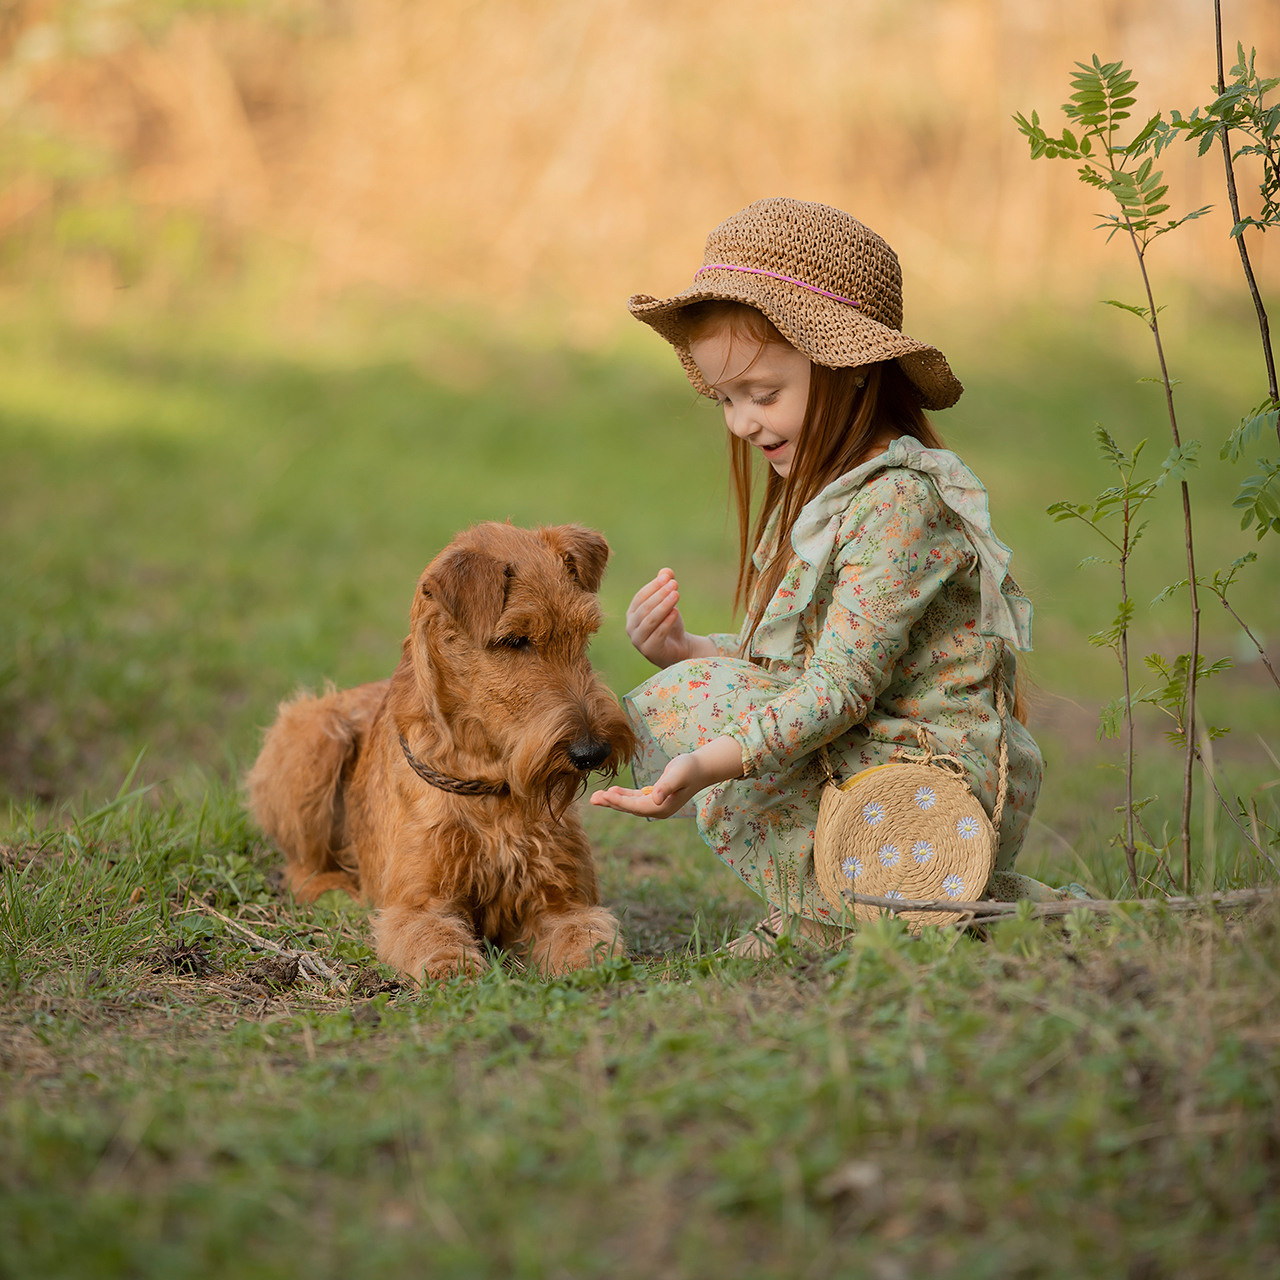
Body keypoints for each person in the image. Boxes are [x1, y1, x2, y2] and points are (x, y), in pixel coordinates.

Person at [590, 197, 1070, 953]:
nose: (741, 424)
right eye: (725, 398)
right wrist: (690, 651)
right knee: (692, 690)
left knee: (702, 709)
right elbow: (812, 668)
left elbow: (838, 690)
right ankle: (840, 906)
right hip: (874, 751)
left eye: (764, 393)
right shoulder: (828, 498)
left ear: (848, 370)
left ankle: (855, 906)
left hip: (927, 783)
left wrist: (709, 760)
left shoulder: (900, 504)